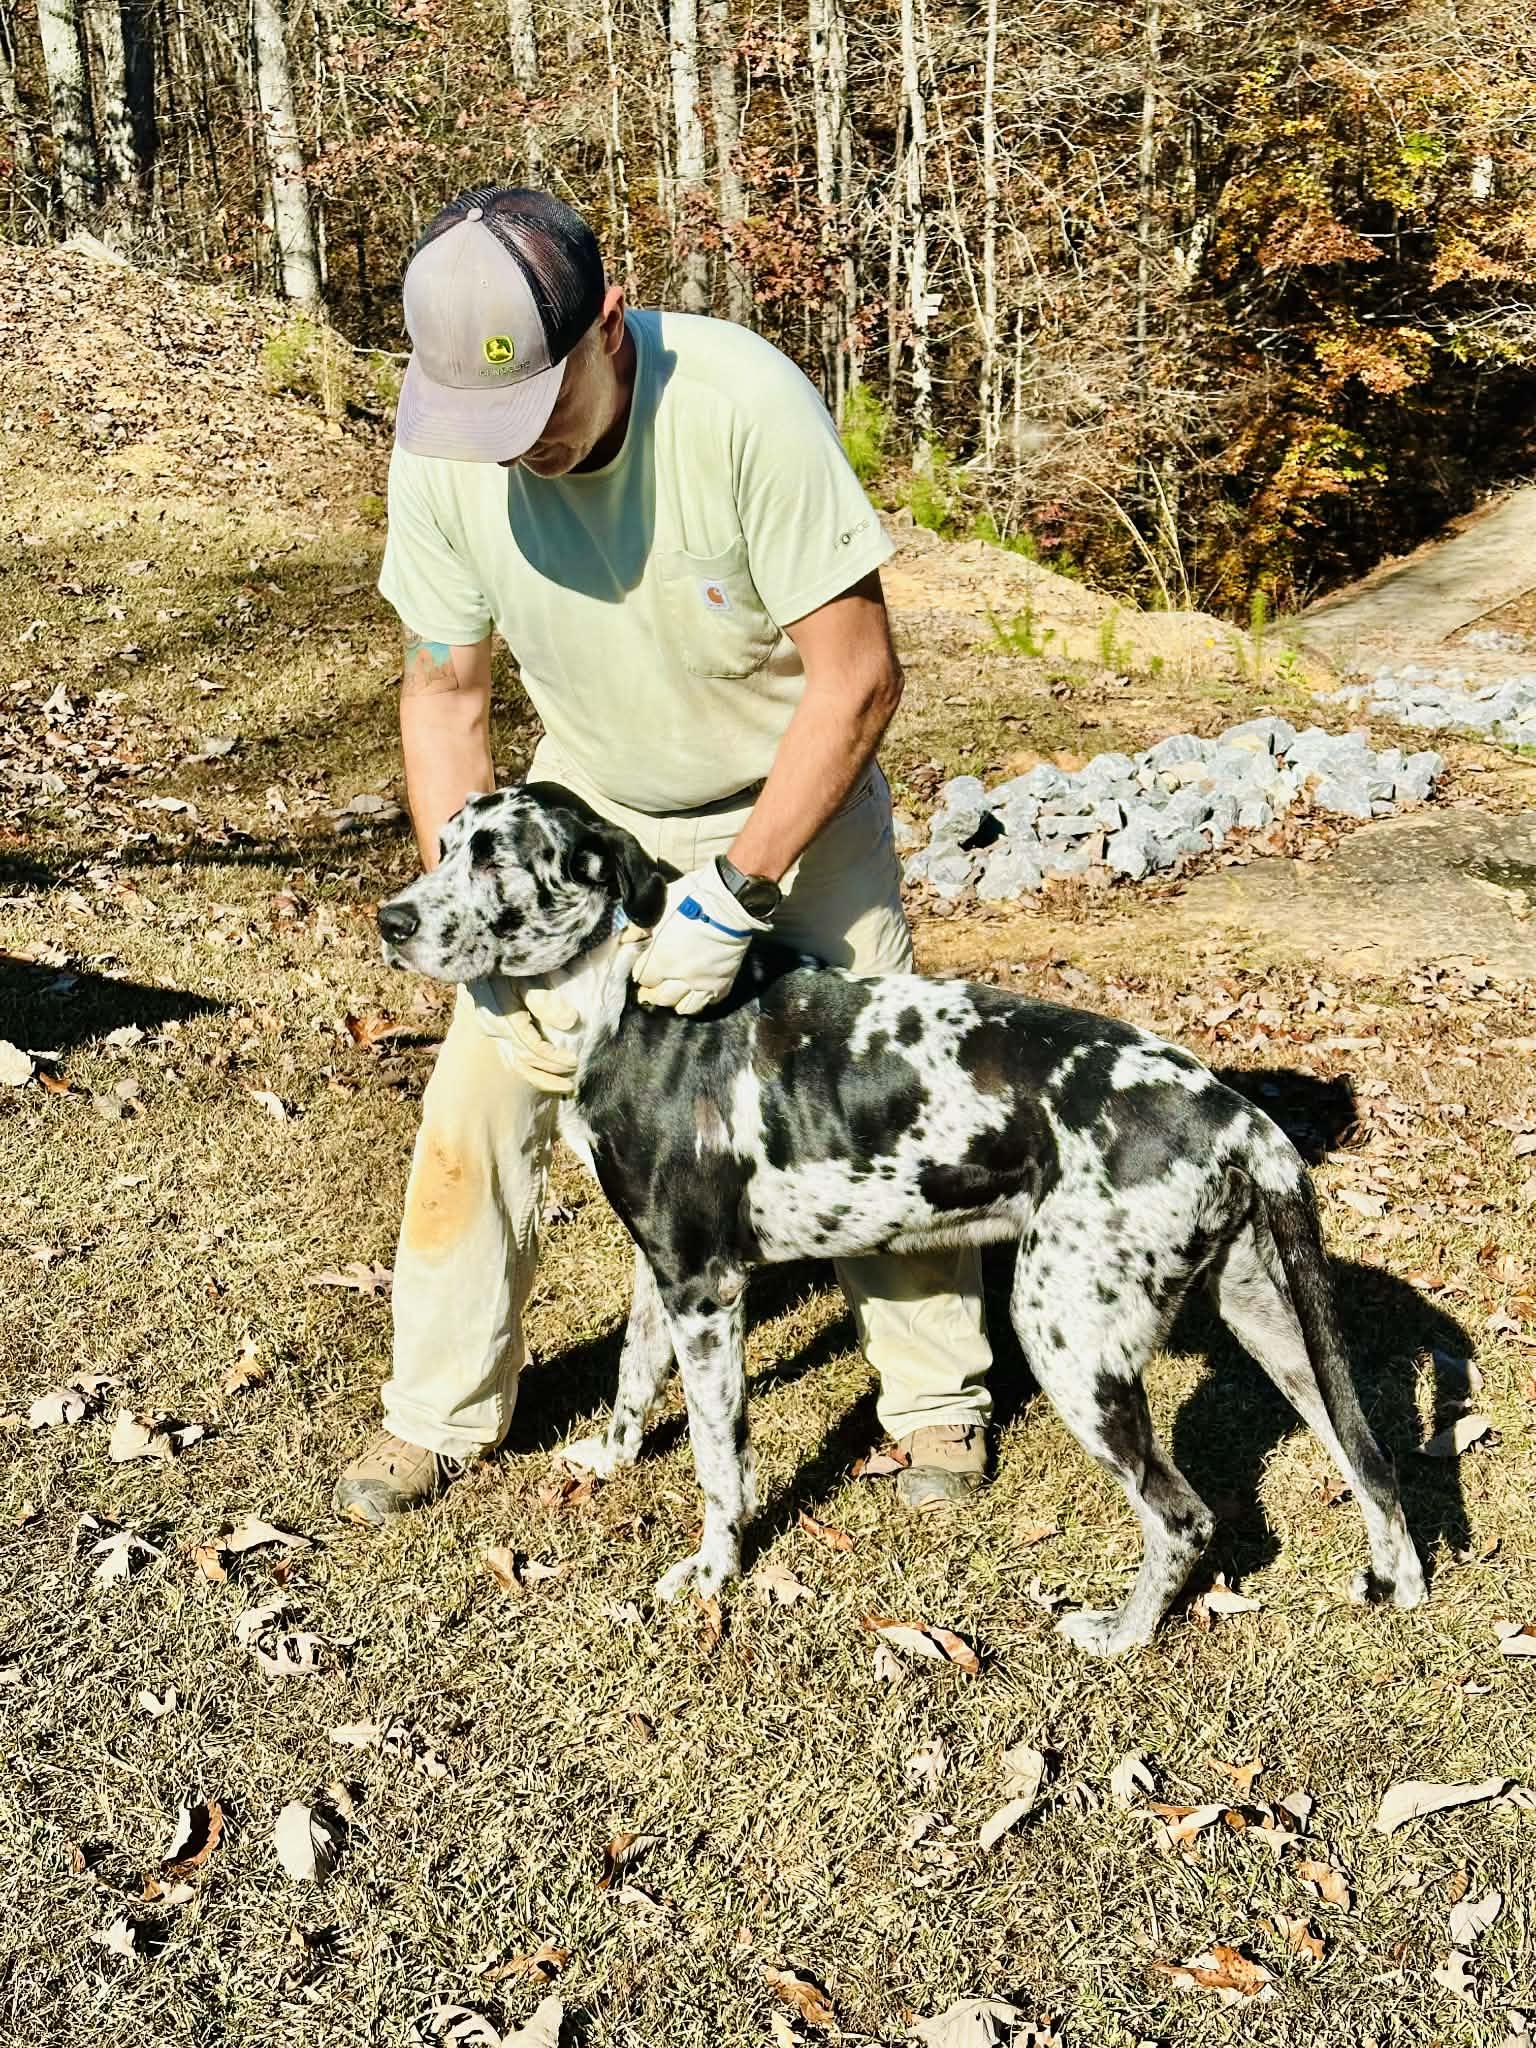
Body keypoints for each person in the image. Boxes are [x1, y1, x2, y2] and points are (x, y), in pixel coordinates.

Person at [333, 185, 994, 1525]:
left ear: (609, 332)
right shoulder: (447, 445)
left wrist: (741, 891)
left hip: (792, 799)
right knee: (481, 1090)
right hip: (591, 813)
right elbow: (444, 696)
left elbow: (857, 680)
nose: (512, 454)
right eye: (483, 429)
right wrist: (475, 911)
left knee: (875, 1092)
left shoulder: (743, 406)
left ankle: (935, 1404)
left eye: (537, 417)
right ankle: (440, 1410)